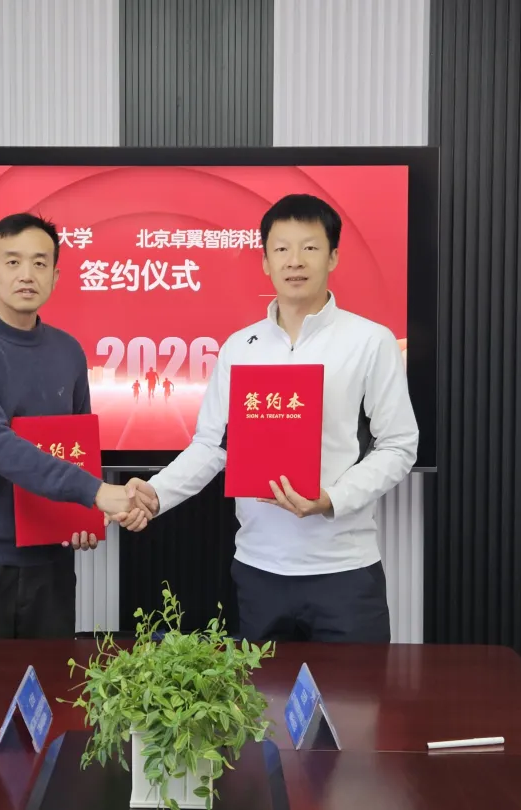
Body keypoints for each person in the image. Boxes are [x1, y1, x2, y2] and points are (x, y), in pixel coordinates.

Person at [114, 194, 418, 644]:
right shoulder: (240, 347)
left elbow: (398, 445)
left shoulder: (370, 341)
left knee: (355, 691)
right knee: (262, 692)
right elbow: (212, 445)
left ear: (333, 256)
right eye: (281, 249)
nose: (295, 261)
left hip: (345, 570)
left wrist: (332, 498)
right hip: (259, 569)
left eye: (310, 247)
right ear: (265, 261)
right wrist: (156, 494)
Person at [0, 212, 150, 640]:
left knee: (49, 684)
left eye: (40, 263)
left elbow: (79, 449)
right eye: (12, 262)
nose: (26, 274)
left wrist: (83, 517)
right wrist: (97, 493)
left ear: (55, 275)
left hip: (50, 563)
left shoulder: (68, 351)